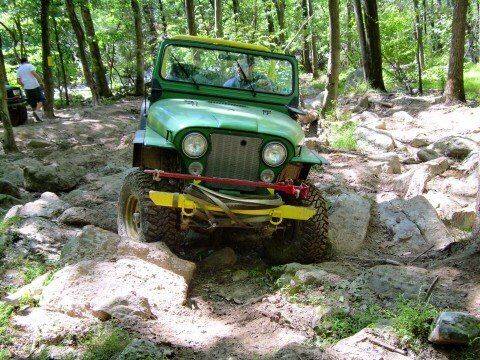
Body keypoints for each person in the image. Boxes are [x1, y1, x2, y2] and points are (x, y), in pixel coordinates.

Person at [16, 57, 45, 122]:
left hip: (27, 88)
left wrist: (24, 85)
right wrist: (41, 82)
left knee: (33, 103)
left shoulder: (19, 69)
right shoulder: (30, 66)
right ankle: (37, 112)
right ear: (27, 61)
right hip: (35, 85)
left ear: (21, 62)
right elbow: (34, 74)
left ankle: (38, 119)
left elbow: (18, 81)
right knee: (42, 99)